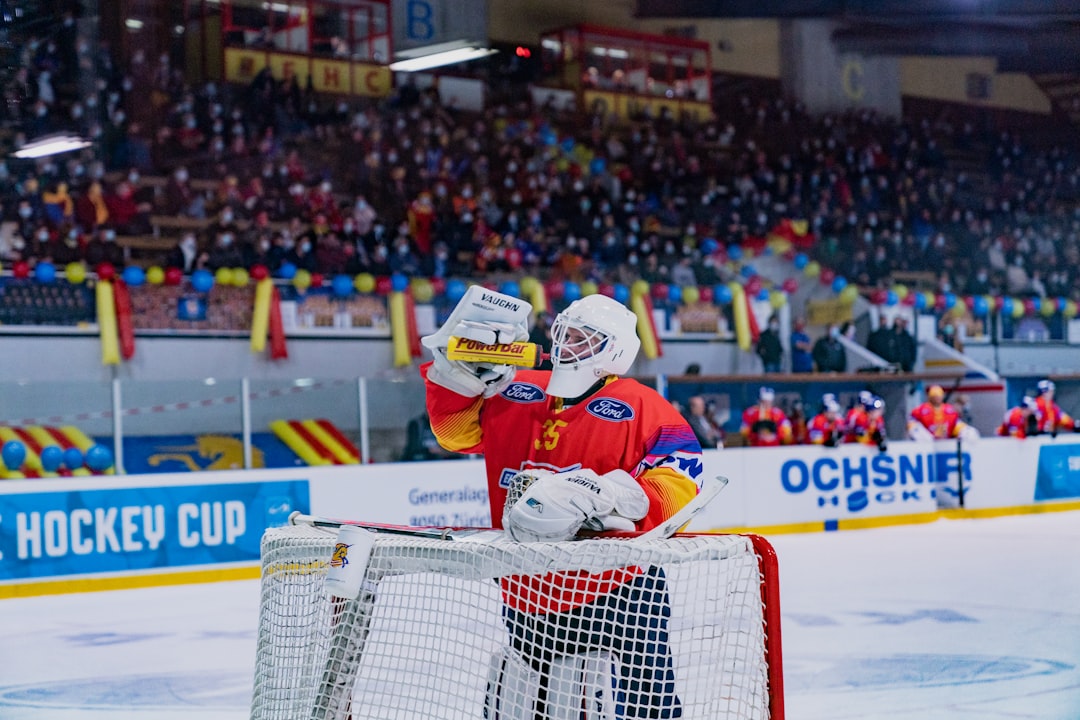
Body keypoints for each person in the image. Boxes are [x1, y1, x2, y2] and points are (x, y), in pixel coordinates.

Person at [421, 289, 702, 719]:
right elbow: (455, 436)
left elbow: (683, 476)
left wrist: (608, 496)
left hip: (620, 590)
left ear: (615, 351)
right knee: (538, 705)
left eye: (582, 338)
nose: (566, 345)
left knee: (647, 709)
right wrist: (455, 379)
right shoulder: (514, 389)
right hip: (526, 588)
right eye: (565, 333)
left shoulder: (641, 403)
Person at [907, 385, 979, 441]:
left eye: (938, 396)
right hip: (927, 442)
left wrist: (964, 431)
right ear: (930, 397)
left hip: (947, 442)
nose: (937, 399)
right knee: (916, 431)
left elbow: (956, 424)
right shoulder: (921, 409)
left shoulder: (949, 409)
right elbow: (912, 423)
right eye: (934, 397)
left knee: (969, 432)